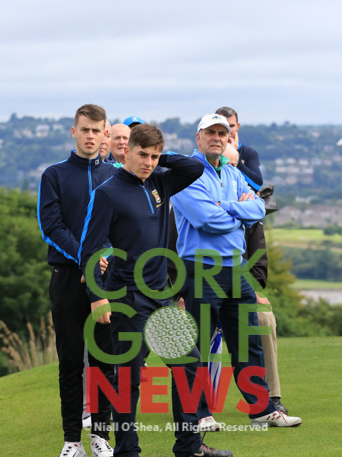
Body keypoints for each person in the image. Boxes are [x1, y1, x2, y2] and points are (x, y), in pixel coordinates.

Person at [79, 124, 233, 457]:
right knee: (128, 381)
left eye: (154, 156)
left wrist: (164, 157)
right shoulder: (107, 193)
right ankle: (127, 452)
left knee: (189, 365)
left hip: (162, 298)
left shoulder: (160, 181)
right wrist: (97, 297)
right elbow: (89, 250)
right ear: (126, 151)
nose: (148, 162)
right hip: (127, 300)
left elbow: (193, 167)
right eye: (143, 154)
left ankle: (189, 446)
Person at [171, 113, 302, 428]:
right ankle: (198, 414)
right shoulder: (184, 173)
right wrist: (237, 212)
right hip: (201, 266)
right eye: (211, 132)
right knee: (199, 344)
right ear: (198, 137)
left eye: (223, 133)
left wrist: (226, 206)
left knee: (247, 341)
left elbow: (258, 209)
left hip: (235, 266)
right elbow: (206, 220)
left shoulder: (232, 173)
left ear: (229, 138)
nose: (217, 138)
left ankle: (261, 409)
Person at [38, 104, 117, 457]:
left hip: (106, 278)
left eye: (96, 130)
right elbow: (51, 227)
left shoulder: (115, 176)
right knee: (70, 363)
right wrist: (87, 258)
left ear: (104, 134)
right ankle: (72, 440)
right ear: (74, 132)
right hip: (68, 278)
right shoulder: (53, 175)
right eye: (84, 129)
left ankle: (101, 437)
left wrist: (102, 259)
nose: (90, 135)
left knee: (104, 362)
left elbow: (122, 228)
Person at [215, 106, 288, 413]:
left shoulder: (253, 217)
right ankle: (199, 406)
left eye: (235, 170)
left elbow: (258, 268)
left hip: (238, 289)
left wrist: (248, 290)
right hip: (201, 286)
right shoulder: (199, 202)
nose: (231, 177)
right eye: (225, 170)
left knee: (264, 318)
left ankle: (270, 399)